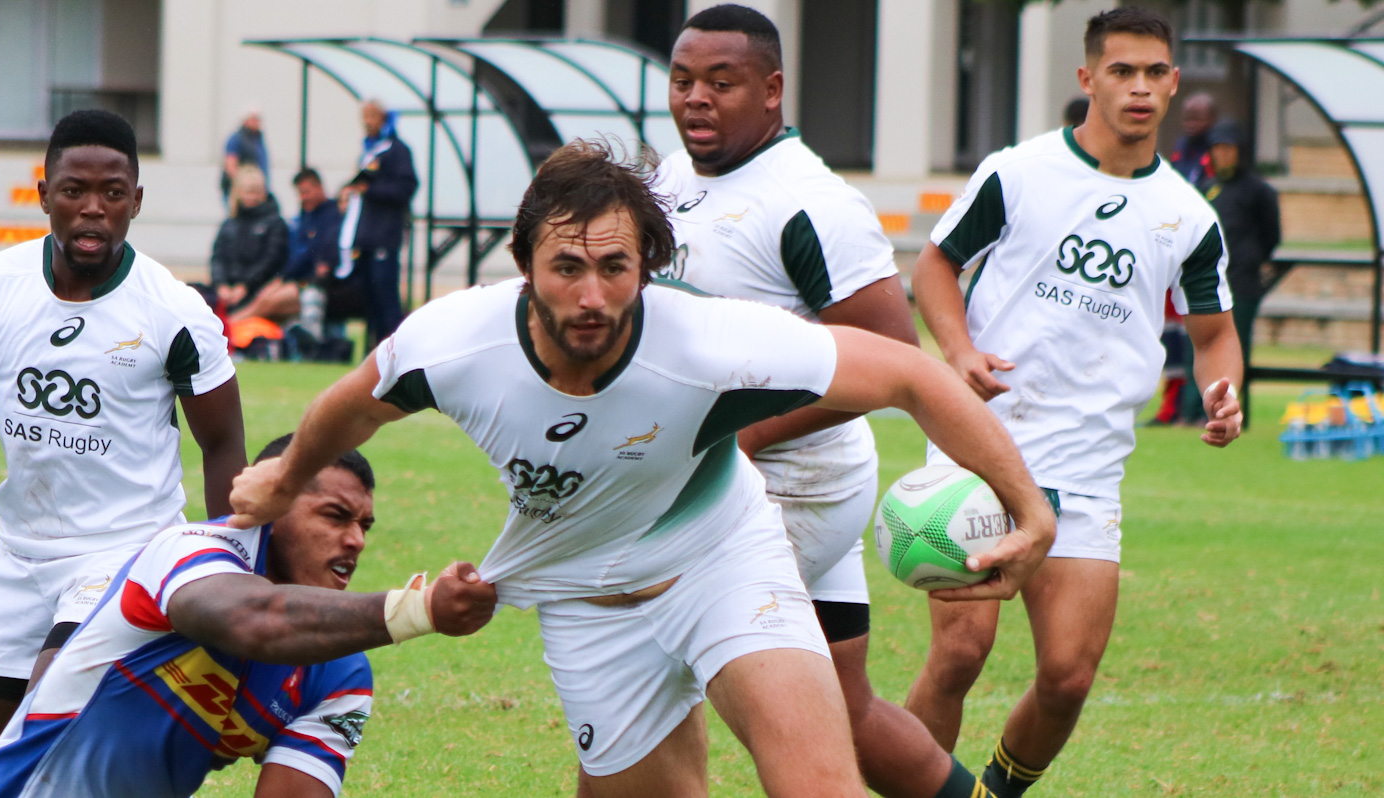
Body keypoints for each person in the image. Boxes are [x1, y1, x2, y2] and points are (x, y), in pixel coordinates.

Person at [228, 138, 1058, 798]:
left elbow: (909, 374)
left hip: (722, 563)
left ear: (648, 267)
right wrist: (286, 477)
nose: (592, 295)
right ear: (524, 264)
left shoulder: (708, 341)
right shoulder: (453, 343)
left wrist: (1030, 510)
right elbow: (353, 403)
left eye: (615, 267)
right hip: (590, 606)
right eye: (567, 267)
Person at [905, 10, 1244, 797]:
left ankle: (991, 792)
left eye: (1153, 72)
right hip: (982, 441)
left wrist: (1221, 391)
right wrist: (959, 352)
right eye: (1122, 71)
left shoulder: (1190, 217)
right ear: (1088, 77)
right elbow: (934, 268)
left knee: (1067, 678)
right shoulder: (1018, 173)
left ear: (1173, 83)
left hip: (1088, 462)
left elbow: (1214, 332)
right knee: (959, 654)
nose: (1139, 87)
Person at [655, 6, 991, 797]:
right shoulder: (673, 176)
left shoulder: (810, 202)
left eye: (721, 82)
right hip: (781, 477)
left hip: (787, 486)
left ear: (772, 90)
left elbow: (891, 353)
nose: (696, 98)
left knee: (652, 676)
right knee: (849, 709)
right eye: (683, 80)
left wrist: (744, 437)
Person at [0, 109, 248, 771]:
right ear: (43, 196)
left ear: (136, 201)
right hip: (19, 554)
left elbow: (224, 445)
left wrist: (230, 563)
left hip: (127, 555)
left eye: (112, 193)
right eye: (74, 191)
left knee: (47, 727)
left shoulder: (176, 313)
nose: (93, 208)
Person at [0, 437, 497, 798]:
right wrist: (417, 609)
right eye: (335, 516)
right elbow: (255, 621)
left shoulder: (341, 674)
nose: (355, 540)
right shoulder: (189, 553)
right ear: (274, 506)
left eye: (364, 526)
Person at [1195, 120, 1280, 421]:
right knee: (1200, 343)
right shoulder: (1206, 187)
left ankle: (1230, 409)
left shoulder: (1258, 190)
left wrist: (1251, 257)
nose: (1223, 154)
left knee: (1234, 344)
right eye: (1218, 148)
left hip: (1242, 281)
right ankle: (1193, 410)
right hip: (1208, 279)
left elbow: (1271, 234)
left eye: (1228, 148)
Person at [336, 99, 418, 345]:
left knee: (386, 298)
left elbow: (406, 188)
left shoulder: (397, 150)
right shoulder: (369, 150)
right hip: (366, 239)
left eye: (371, 116)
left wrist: (370, 190)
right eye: (364, 117)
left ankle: (395, 349)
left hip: (384, 237)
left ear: (382, 118)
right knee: (369, 300)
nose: (367, 122)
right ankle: (372, 352)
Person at [230, 168, 343, 330]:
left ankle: (230, 325)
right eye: (300, 193)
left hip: (312, 284)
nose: (303, 198)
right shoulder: (305, 216)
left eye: (306, 192)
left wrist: (283, 279)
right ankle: (233, 326)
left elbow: (310, 255)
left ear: (319, 187)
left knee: (267, 302)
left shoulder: (331, 215)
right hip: (296, 280)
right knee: (265, 299)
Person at [212, 164, 290, 314]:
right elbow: (218, 258)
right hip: (227, 289)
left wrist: (246, 286)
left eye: (256, 192)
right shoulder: (229, 224)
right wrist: (220, 285)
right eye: (248, 192)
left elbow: (271, 260)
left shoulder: (275, 223)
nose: (252, 197)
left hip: (257, 289)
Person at [221, 108, 270, 205]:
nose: (257, 122)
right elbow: (231, 165)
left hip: (256, 188)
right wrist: (242, 185)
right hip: (242, 190)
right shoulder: (237, 139)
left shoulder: (256, 138)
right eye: (254, 119)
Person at [1170, 91, 1217, 190]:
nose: (1191, 125)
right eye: (1187, 119)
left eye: (1197, 119)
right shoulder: (1180, 147)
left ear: (1212, 119)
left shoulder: (1217, 149)